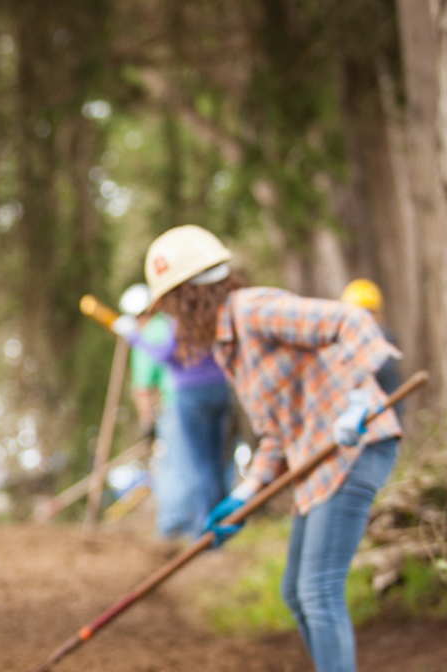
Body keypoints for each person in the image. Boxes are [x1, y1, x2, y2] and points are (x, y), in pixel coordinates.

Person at [143, 225, 401, 672]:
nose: (170, 319)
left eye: (168, 305)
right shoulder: (229, 349)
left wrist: (360, 397)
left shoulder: (255, 310)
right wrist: (242, 497)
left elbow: (351, 320)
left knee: (318, 589)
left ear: (188, 296)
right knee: (296, 593)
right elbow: (276, 435)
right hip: (317, 464)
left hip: (357, 448)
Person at [113, 280, 234, 539]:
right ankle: (220, 525)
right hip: (220, 389)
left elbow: (146, 383)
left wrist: (134, 338)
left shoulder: (165, 326)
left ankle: (196, 529)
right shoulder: (205, 313)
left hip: (186, 398)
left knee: (192, 466)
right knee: (216, 462)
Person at [340, 279, 403, 418]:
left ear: (378, 314)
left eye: (368, 313)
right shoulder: (342, 342)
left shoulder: (384, 340)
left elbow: (380, 372)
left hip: (384, 416)